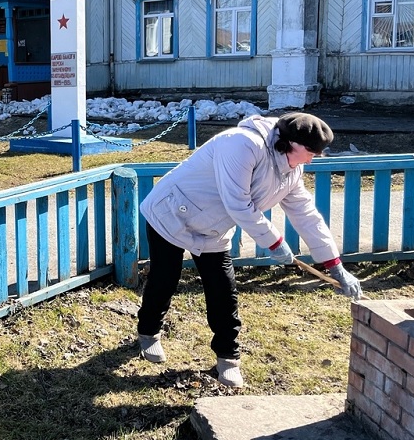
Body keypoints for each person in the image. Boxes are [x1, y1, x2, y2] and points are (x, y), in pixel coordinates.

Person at [136, 112, 362, 388]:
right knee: (165, 277)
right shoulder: (241, 144)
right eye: (311, 151)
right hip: (171, 212)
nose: (313, 158)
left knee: (223, 290)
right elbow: (238, 204)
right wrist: (275, 242)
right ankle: (148, 332)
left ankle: (228, 358)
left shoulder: (292, 170)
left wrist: (334, 265)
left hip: (213, 228)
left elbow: (306, 214)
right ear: (290, 142)